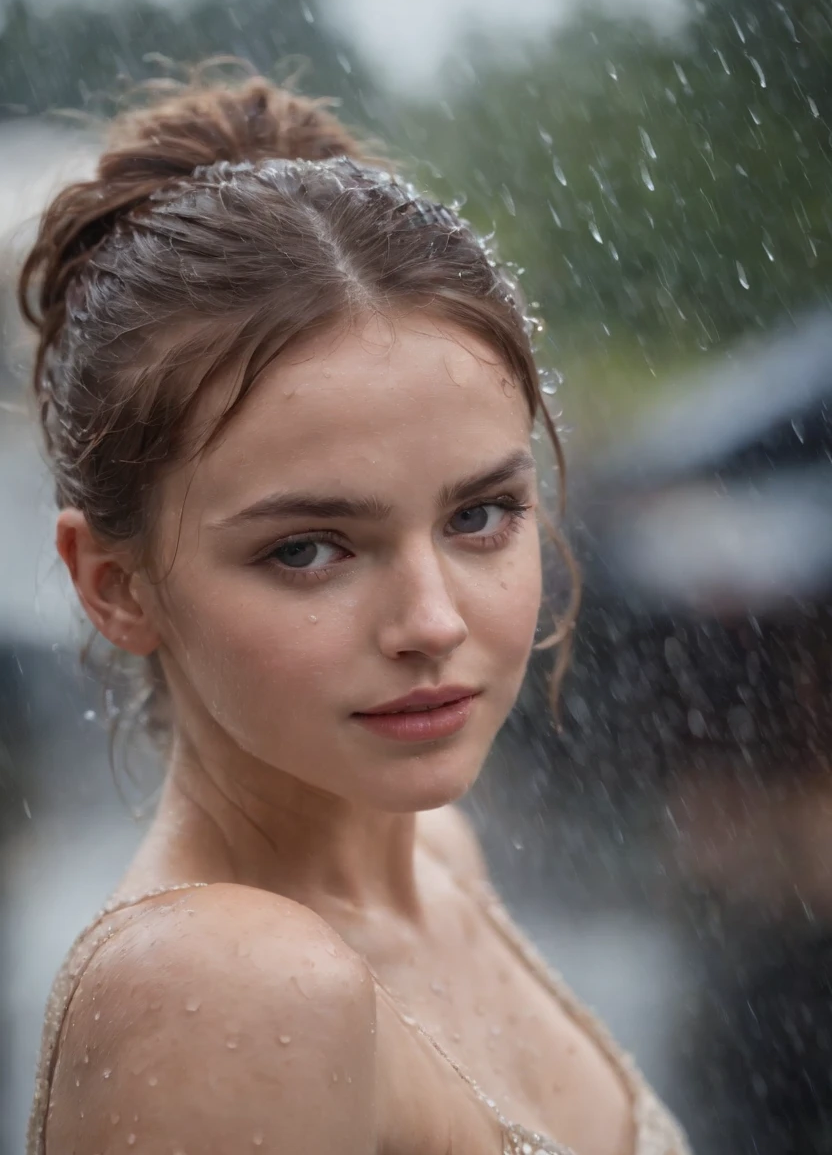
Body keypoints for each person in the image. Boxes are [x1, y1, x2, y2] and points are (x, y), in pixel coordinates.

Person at [21, 67, 691, 1155]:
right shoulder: (232, 991)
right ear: (115, 584)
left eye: (480, 515)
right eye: (307, 548)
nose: (430, 620)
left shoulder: (438, 856)